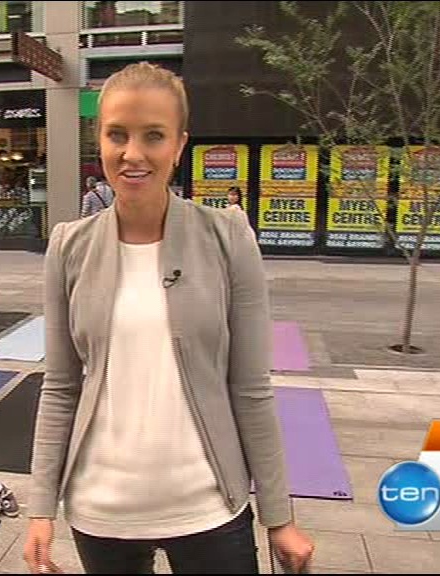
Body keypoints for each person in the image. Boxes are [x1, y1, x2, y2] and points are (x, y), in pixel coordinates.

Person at [23, 62, 315, 574]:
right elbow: (61, 386)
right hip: (102, 512)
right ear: (100, 141)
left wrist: (279, 517)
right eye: (117, 134)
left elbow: (251, 388)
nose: (132, 153)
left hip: (210, 507)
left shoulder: (228, 237)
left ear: (179, 145)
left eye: (153, 136)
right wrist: (40, 509)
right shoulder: (69, 245)